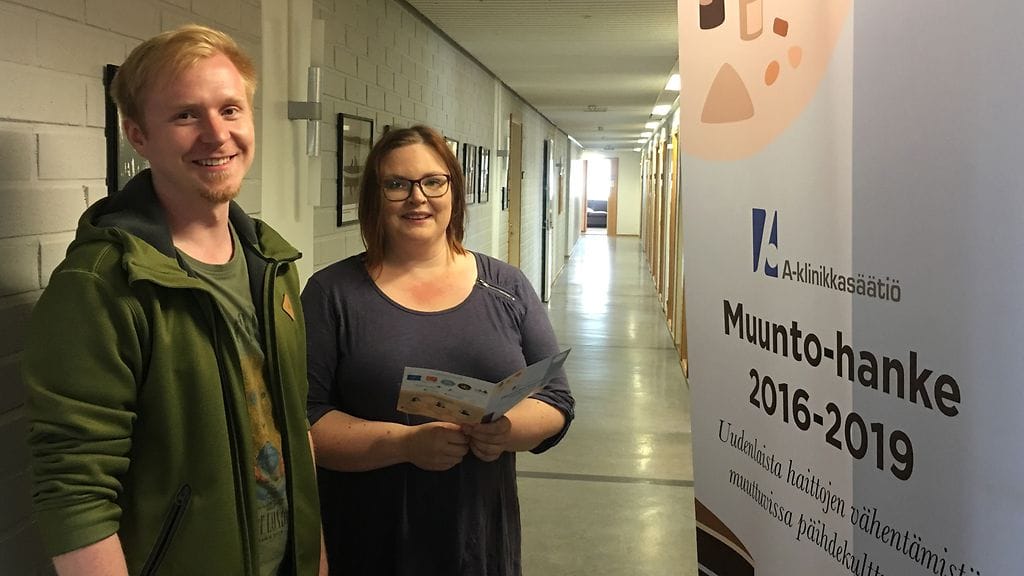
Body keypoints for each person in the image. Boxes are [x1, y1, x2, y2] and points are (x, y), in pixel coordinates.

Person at [23, 25, 327, 576]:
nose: (217, 134)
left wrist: (315, 557)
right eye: (186, 115)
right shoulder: (103, 283)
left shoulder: (271, 263)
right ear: (138, 135)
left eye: (230, 109)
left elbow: (293, 428)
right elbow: (75, 491)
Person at [302, 125, 575, 575]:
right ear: (374, 197)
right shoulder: (332, 294)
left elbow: (555, 399)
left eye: (433, 181)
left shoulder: (506, 286)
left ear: (454, 190)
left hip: (480, 540)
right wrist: (405, 445)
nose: (418, 198)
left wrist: (504, 431)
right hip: (370, 541)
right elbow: (306, 421)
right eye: (397, 184)